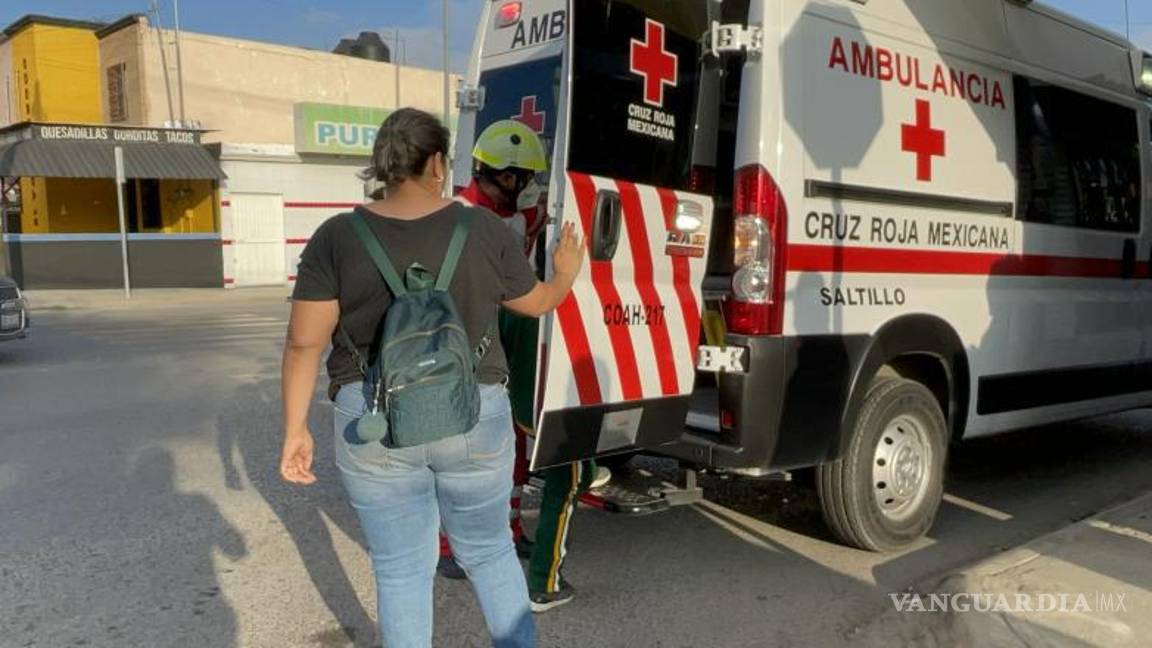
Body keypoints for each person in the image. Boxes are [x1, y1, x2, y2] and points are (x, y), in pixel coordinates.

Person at [279, 108, 585, 647]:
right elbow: (536, 303)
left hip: (372, 418)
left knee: (400, 569)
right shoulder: (482, 228)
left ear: (381, 164)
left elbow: (305, 341)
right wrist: (564, 274)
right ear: (438, 162)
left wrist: (295, 429)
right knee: (490, 551)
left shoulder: (337, 236)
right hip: (473, 412)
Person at [451, 119, 609, 612]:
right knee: (464, 446)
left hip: (506, 327)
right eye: (509, 177)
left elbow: (540, 221)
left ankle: (510, 522)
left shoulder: (520, 213)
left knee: (513, 437)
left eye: (524, 178)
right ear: (484, 171)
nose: (517, 185)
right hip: (466, 334)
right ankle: (447, 545)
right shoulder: (459, 215)